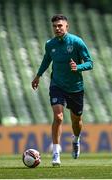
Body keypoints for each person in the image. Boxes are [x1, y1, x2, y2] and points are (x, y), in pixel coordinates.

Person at [31, 14, 93, 166]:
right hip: (57, 85)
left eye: (60, 25)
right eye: (55, 26)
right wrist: (38, 75)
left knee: (76, 121)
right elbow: (47, 60)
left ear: (67, 26)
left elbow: (90, 63)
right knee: (58, 117)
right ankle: (56, 154)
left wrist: (77, 67)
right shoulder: (50, 44)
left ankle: (76, 139)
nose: (57, 28)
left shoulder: (77, 42)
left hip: (75, 87)